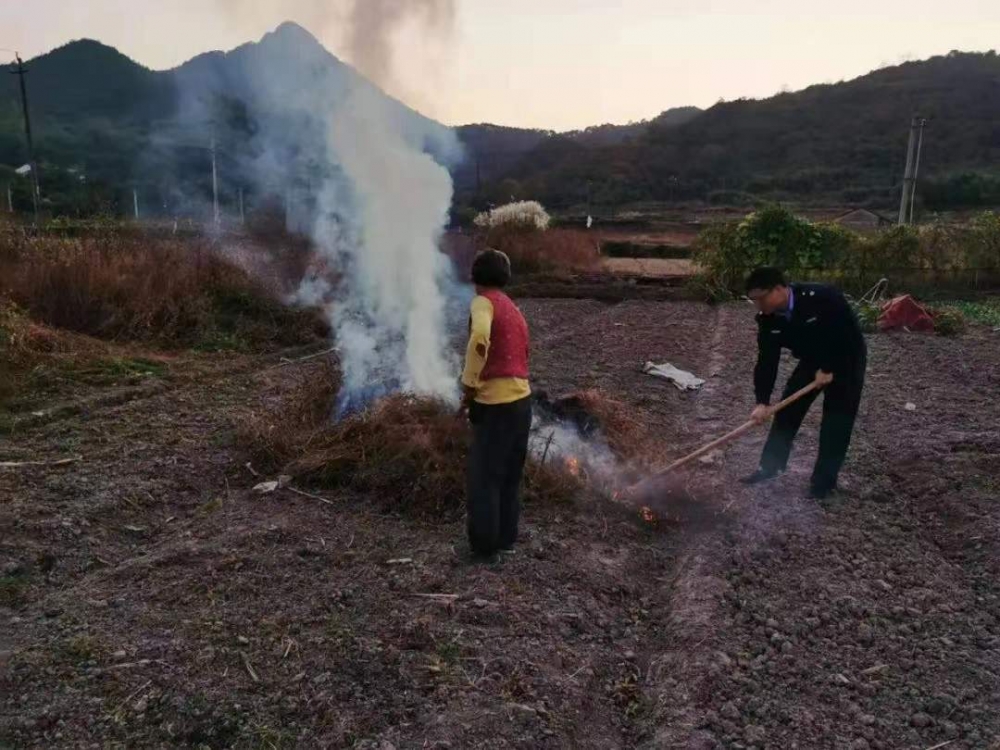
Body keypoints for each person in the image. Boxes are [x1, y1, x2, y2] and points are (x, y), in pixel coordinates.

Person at [741, 267, 867, 499]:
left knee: (836, 421)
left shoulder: (822, 298)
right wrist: (762, 402)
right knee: (787, 411)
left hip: (847, 358)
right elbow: (767, 361)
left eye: (761, 298)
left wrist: (829, 369)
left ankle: (823, 484)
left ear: (779, 289)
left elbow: (846, 335)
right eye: (754, 300)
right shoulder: (768, 319)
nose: (759, 304)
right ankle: (770, 467)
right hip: (812, 360)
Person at [460, 249, 532, 559]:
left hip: (496, 403)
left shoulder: (483, 302)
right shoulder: (514, 309)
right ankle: (505, 540)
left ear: (475, 277)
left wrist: (469, 382)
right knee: (509, 476)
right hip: (522, 402)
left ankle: (484, 549)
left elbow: (479, 339)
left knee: (484, 477)